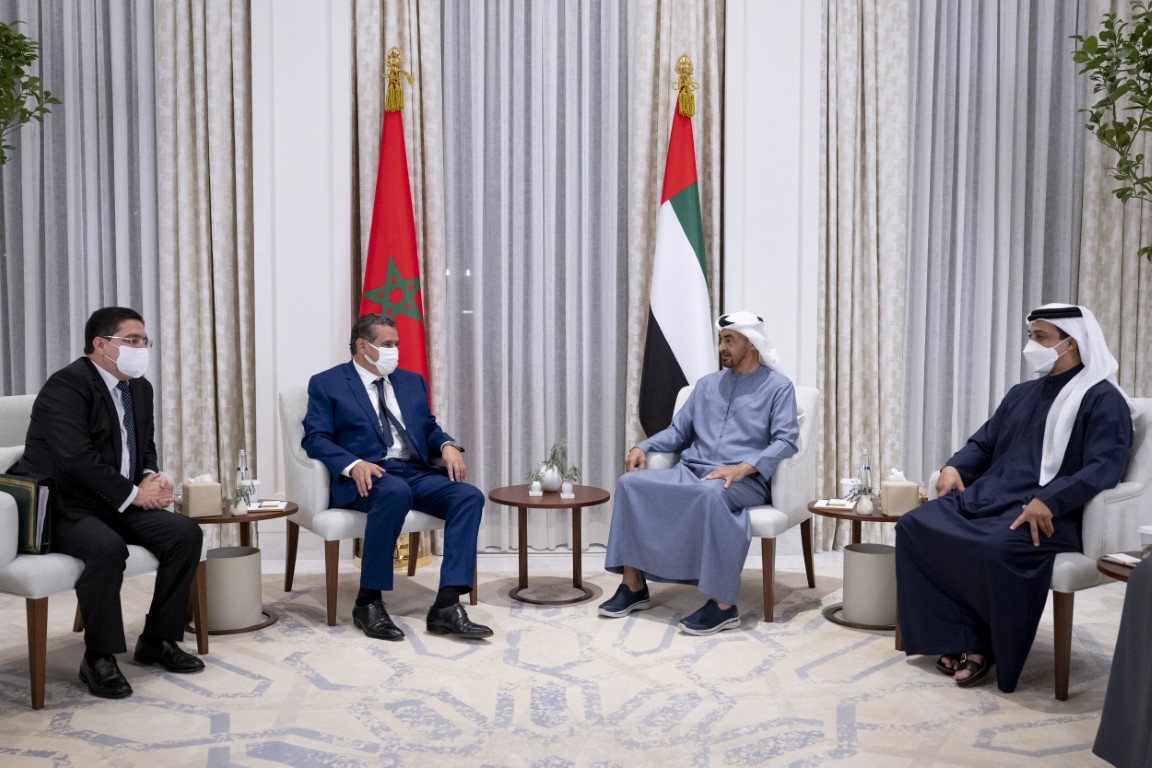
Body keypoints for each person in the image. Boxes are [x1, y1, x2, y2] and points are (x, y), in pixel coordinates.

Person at [896, 303, 1137, 692]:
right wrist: (954, 467)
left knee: (996, 548)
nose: (1031, 345)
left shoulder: (1102, 399)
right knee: (914, 526)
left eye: (1041, 337)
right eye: (1030, 336)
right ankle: (952, 635)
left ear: (1071, 343)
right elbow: (984, 442)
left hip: (1049, 513)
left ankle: (983, 645)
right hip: (991, 497)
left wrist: (1052, 499)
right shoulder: (1021, 393)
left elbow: (1103, 467)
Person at [16, 307, 205, 700]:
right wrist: (136, 495)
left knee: (184, 533)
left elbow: (143, 446)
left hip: (114, 500)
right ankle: (98, 657)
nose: (141, 348)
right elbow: (75, 458)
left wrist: (150, 477)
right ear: (100, 345)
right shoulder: (66, 386)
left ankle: (158, 639)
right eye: (131, 341)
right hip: (65, 504)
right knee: (106, 547)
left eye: (144, 341)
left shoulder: (139, 387)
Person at [600, 311, 800, 634]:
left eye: (729, 340)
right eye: (720, 340)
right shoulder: (706, 386)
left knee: (712, 493)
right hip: (692, 471)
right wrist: (643, 446)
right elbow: (678, 432)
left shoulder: (779, 388)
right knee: (629, 484)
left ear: (751, 344)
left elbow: (786, 439)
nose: (722, 347)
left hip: (744, 479)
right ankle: (633, 584)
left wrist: (744, 467)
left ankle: (723, 605)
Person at [302, 314, 491, 641]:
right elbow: (315, 437)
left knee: (468, 496)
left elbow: (427, 426)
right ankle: (368, 601)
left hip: (413, 472)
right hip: (367, 476)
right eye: (387, 345)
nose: (395, 351)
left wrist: (446, 445)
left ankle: (446, 605)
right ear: (363, 346)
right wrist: (352, 463)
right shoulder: (328, 383)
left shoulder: (410, 381)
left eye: (396, 344)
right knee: (393, 492)